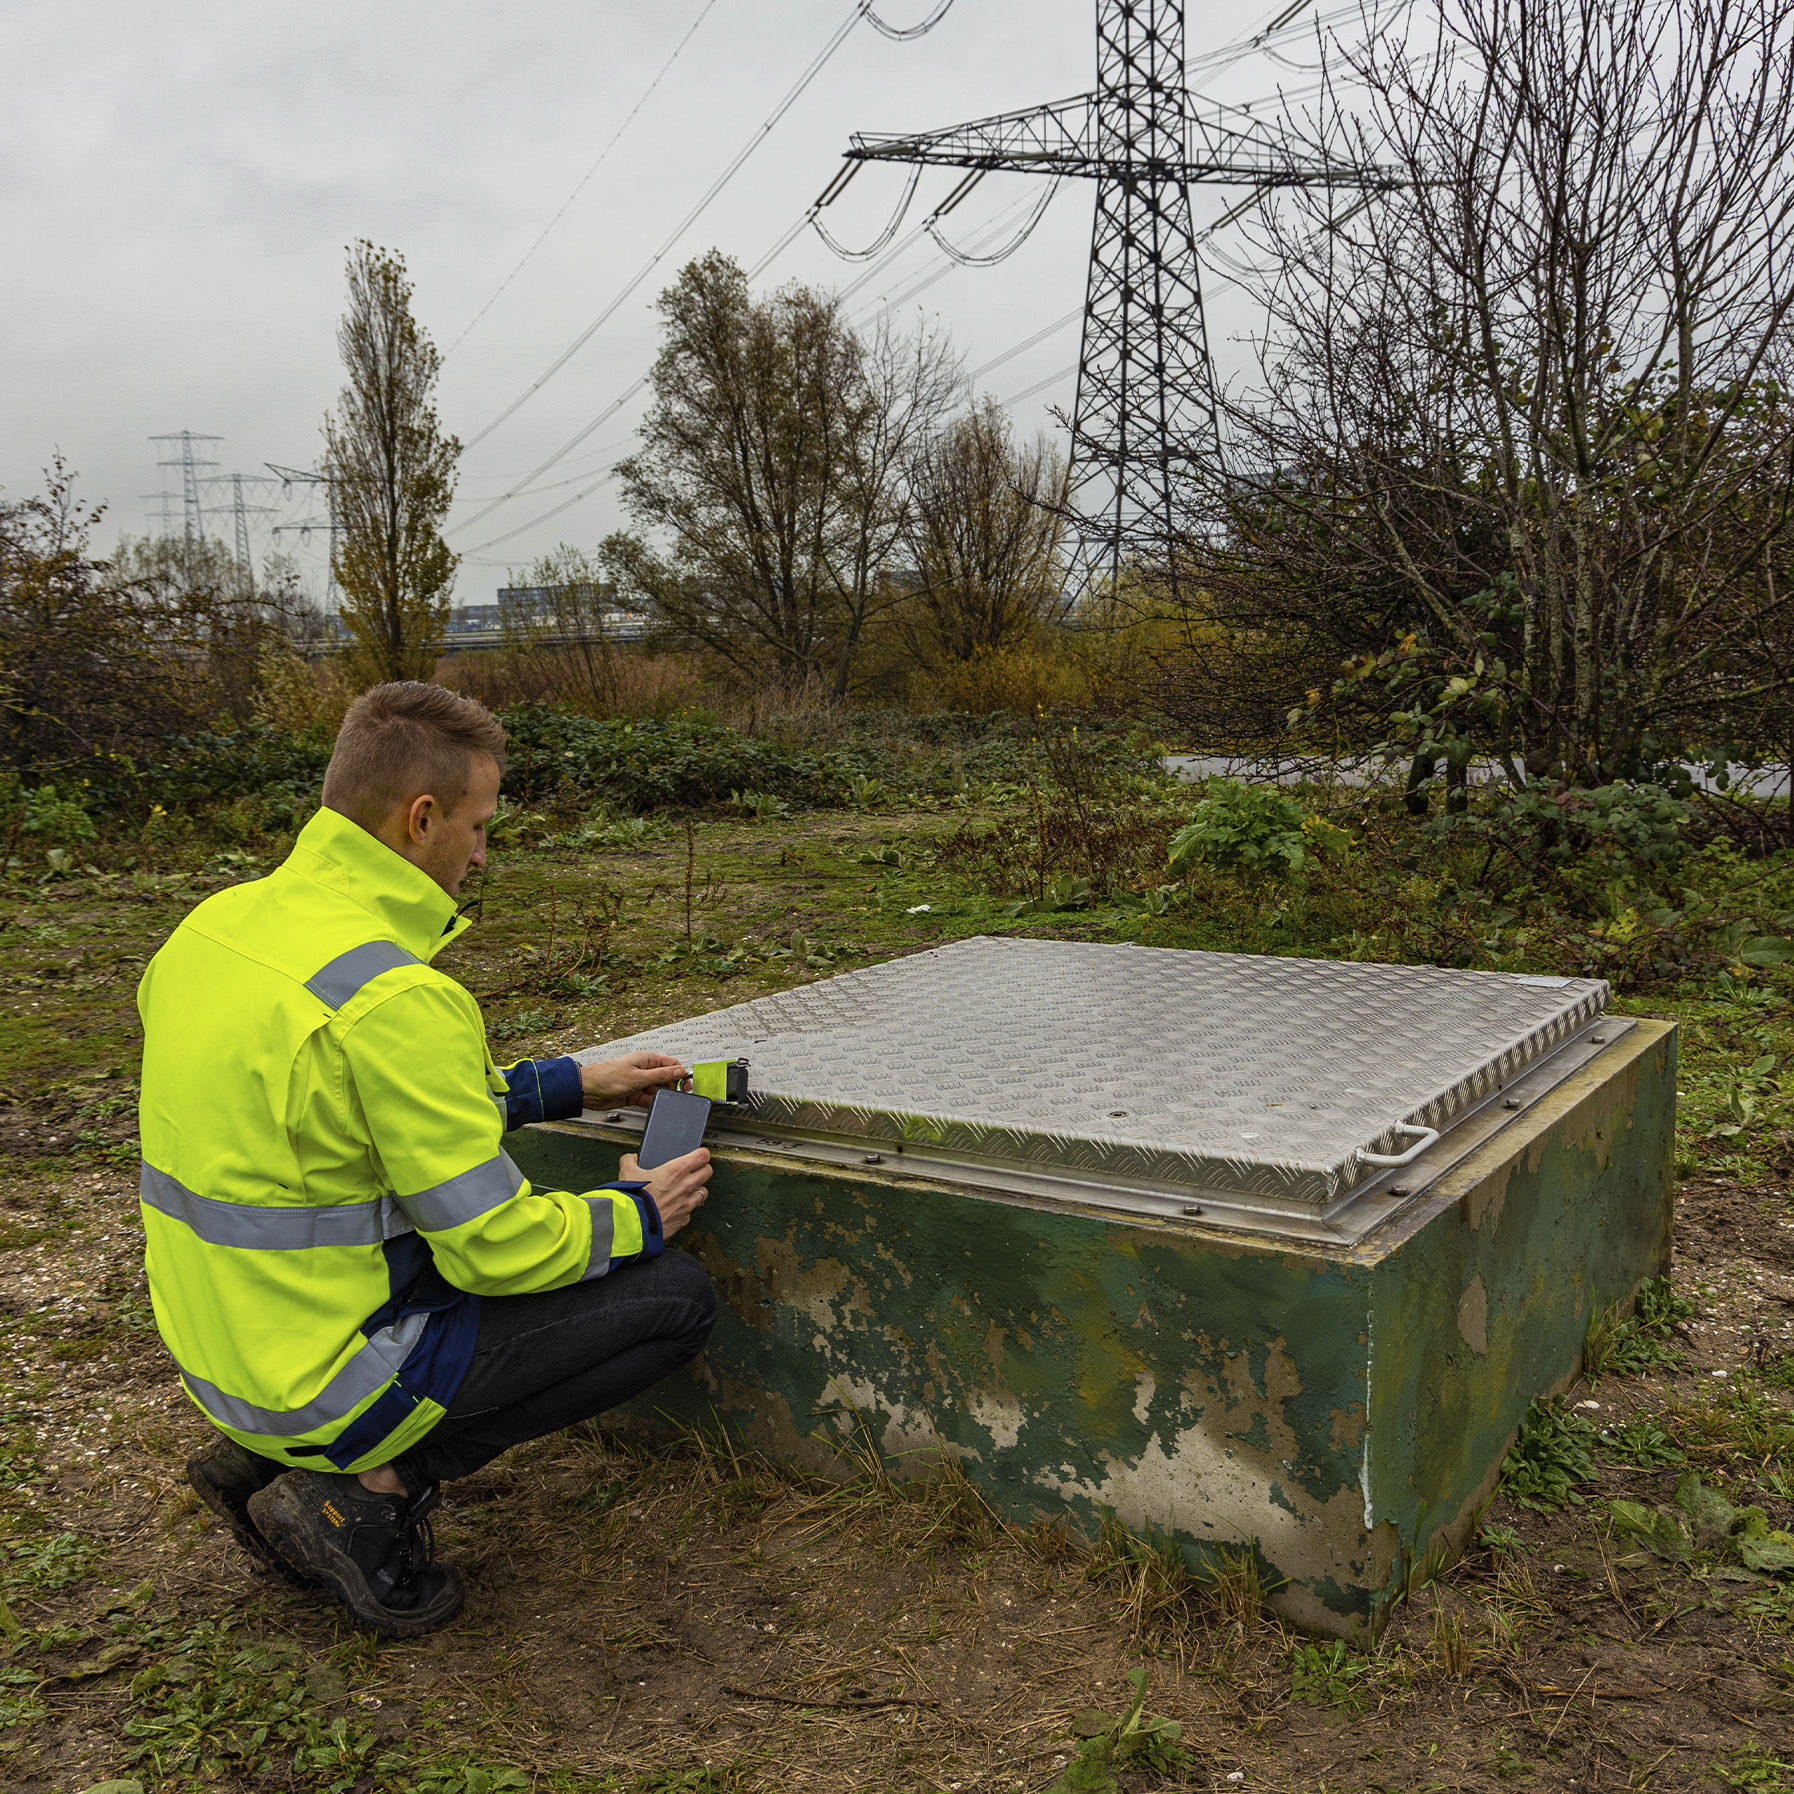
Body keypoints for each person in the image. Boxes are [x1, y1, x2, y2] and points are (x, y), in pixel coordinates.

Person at [136, 681, 717, 1637]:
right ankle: (367, 1493)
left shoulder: (214, 930)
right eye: (480, 826)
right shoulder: (397, 997)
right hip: (329, 1378)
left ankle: (265, 1460)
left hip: (221, 1355)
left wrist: (566, 1085)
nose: (483, 853)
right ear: (420, 819)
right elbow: (493, 1249)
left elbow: (348, 1113)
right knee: (674, 1301)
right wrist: (637, 1214)